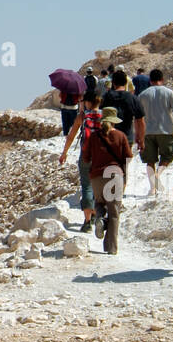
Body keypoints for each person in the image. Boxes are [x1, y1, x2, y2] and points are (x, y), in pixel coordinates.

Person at [86, 106, 132, 255]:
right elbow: (128, 157)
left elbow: (86, 158)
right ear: (114, 121)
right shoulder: (121, 136)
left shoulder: (93, 137)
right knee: (114, 213)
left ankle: (99, 217)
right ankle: (111, 248)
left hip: (96, 177)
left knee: (99, 203)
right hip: (114, 175)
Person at [59, 92, 103, 233]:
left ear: (88, 102)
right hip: (101, 157)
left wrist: (64, 153)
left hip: (85, 157)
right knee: (98, 187)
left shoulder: (82, 117)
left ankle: (87, 222)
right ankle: (97, 216)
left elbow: (71, 136)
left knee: (86, 186)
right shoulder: (105, 117)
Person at [138, 69, 173, 197]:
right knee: (167, 156)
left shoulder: (143, 95)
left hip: (148, 132)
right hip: (166, 130)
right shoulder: (169, 93)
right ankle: (158, 174)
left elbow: (138, 116)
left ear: (150, 81)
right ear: (162, 79)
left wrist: (139, 134)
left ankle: (153, 188)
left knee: (150, 159)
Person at [101, 71, 146, 148]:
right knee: (126, 159)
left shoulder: (106, 97)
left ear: (113, 83)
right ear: (126, 83)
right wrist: (141, 140)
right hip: (127, 139)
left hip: (109, 139)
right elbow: (140, 121)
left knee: (110, 160)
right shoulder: (133, 98)